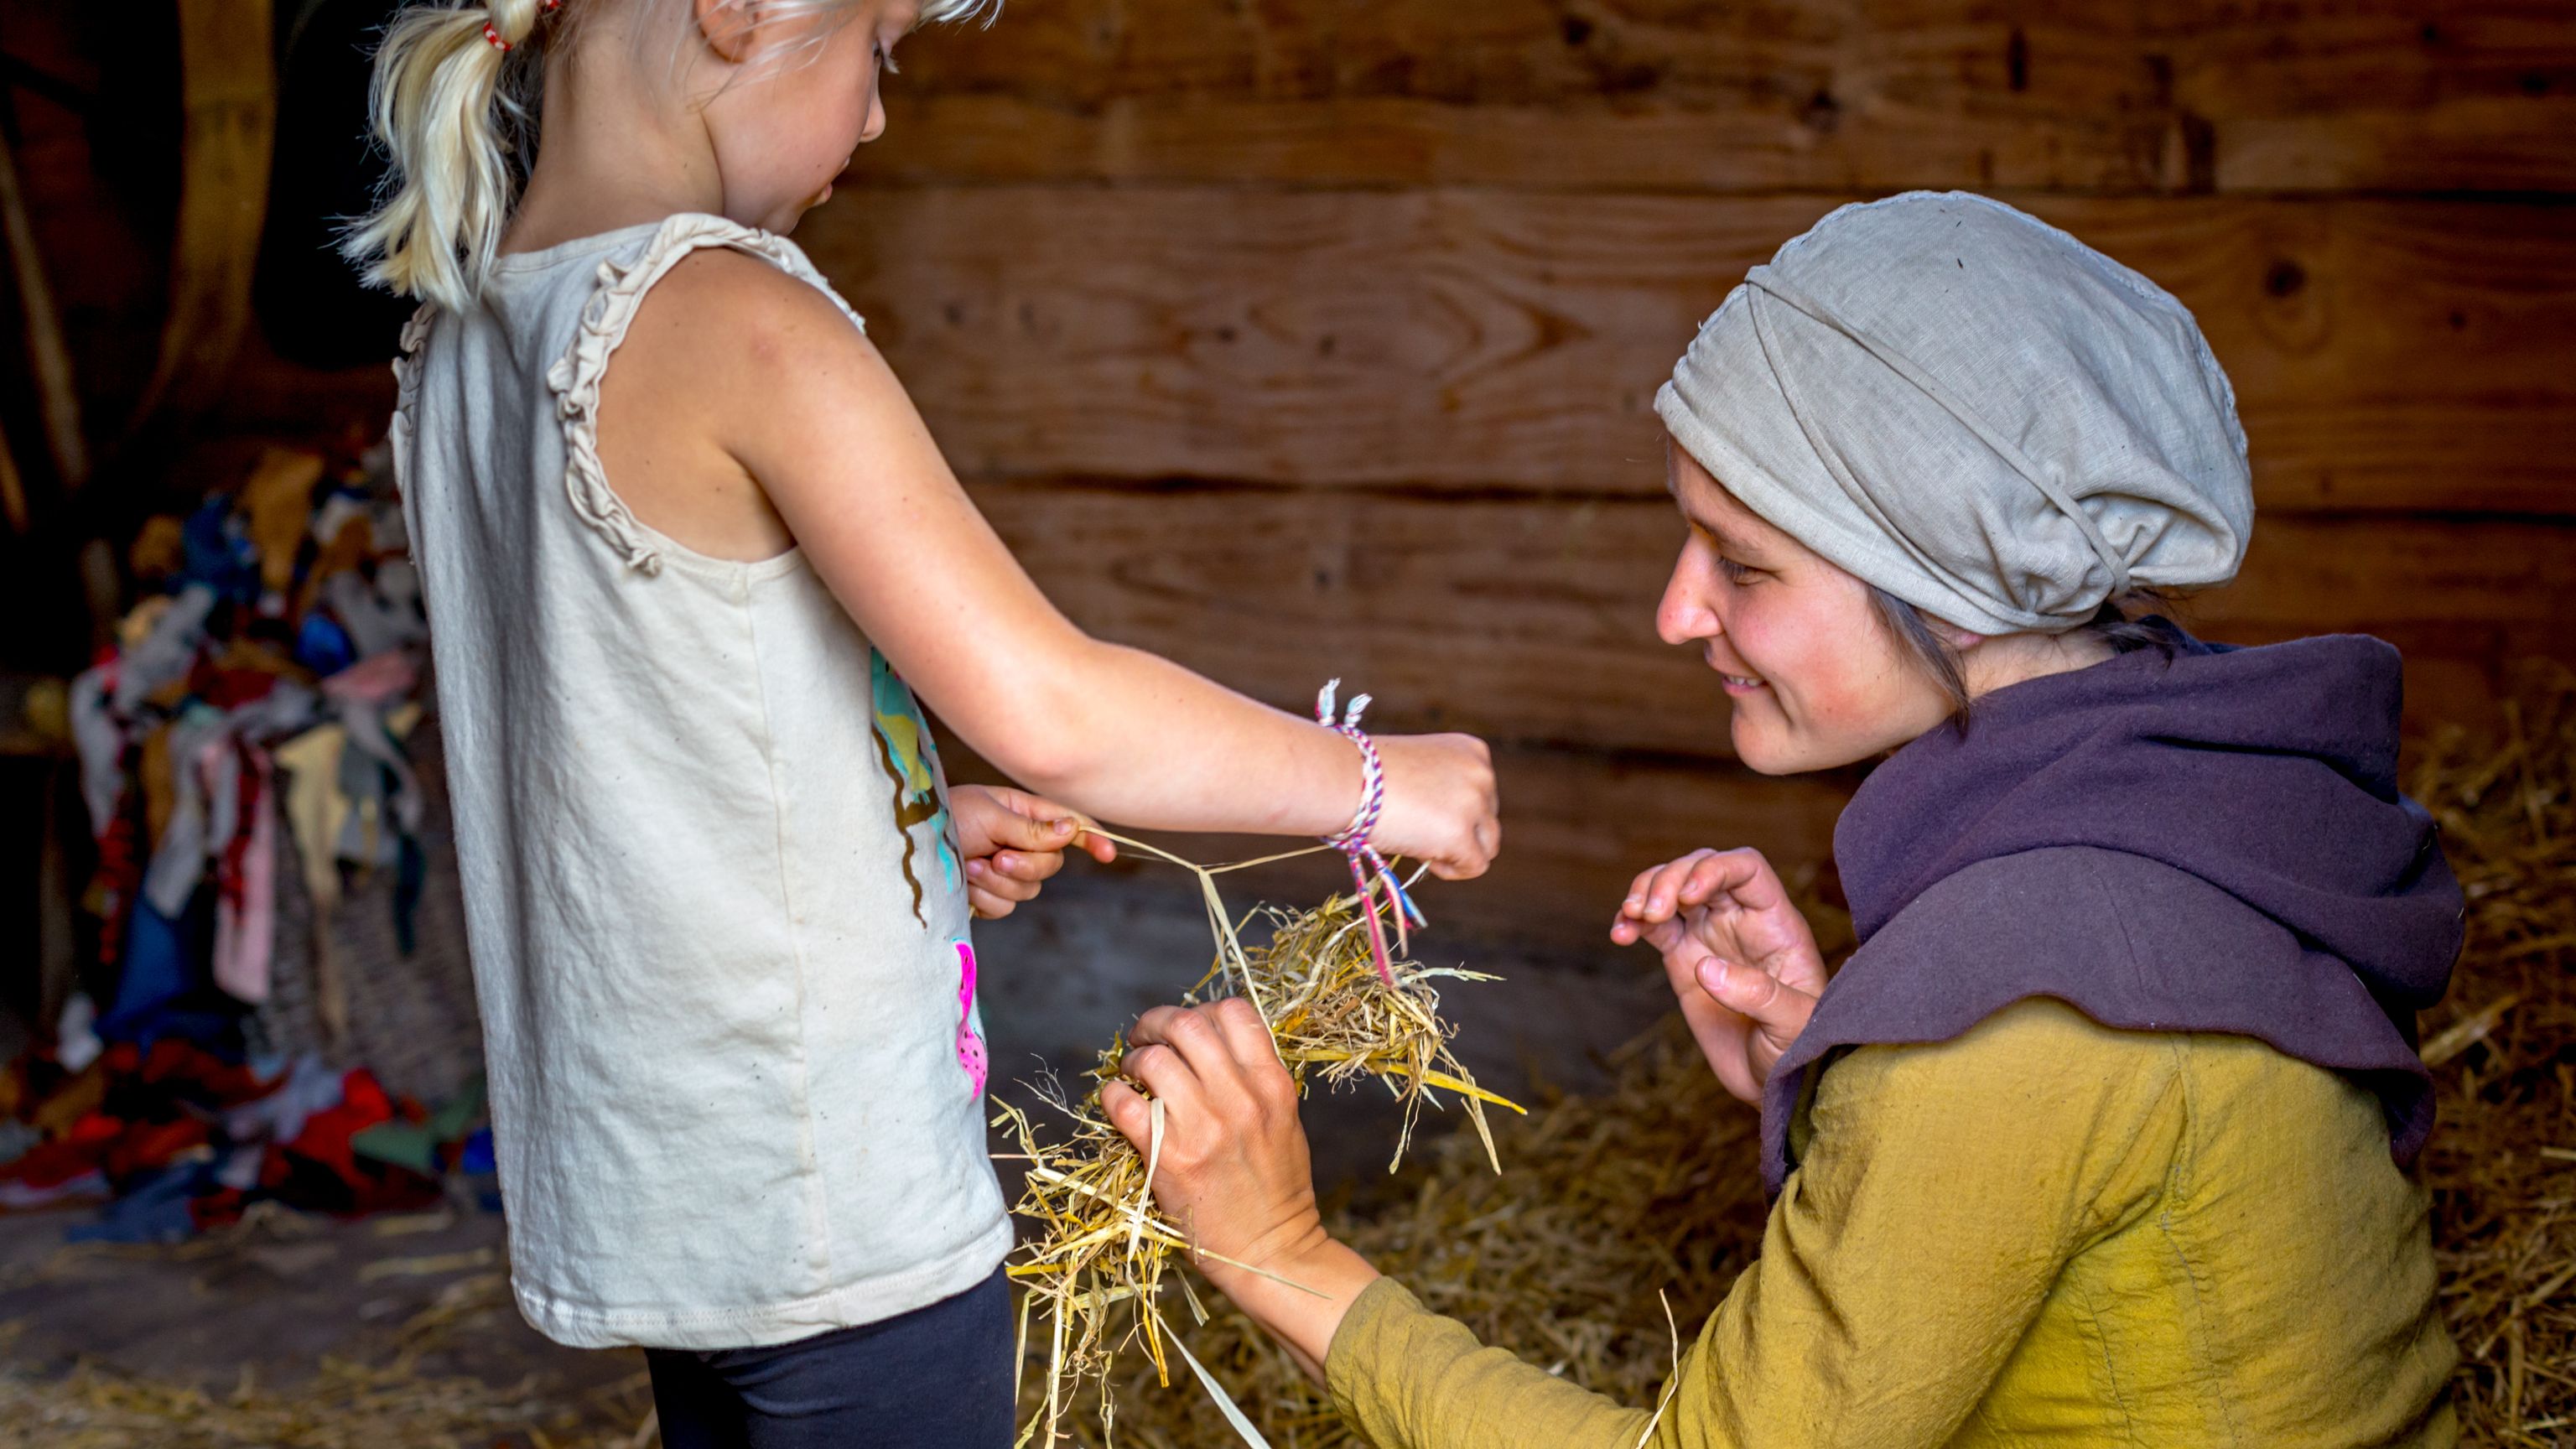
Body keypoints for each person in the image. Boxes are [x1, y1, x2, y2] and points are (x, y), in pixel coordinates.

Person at [1104, 193, 2464, 1446]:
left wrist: (1281, 1255)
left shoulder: (2023, 1001)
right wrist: (1840, 1065)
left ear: (1958, 590)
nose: (1676, 612)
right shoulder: (2196, 796)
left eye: (1745, 566)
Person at [341, 2, 1500, 1444]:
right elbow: (1053, 710)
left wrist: (899, 817)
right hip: (836, 1213)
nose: (881, 112)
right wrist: (1375, 780)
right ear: (742, 11)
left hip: (661, 1200)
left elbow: (627, 750)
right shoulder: (737, 320)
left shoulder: (466, 332)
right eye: (878, 50)